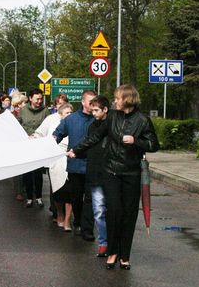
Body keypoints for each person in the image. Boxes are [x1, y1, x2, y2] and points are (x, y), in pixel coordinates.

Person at [69, 85, 159, 270]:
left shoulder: (142, 120)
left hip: (132, 173)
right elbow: (95, 137)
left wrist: (136, 141)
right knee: (114, 211)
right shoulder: (112, 117)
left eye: (117, 98)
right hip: (111, 171)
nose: (115, 100)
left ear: (127, 99)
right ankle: (112, 252)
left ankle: (125, 256)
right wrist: (76, 150)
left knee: (129, 214)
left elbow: (154, 144)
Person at [53, 90, 96, 241]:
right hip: (76, 166)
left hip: (93, 166)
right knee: (76, 198)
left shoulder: (99, 120)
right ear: (83, 102)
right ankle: (77, 221)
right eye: (90, 102)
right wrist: (48, 145)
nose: (93, 105)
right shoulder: (71, 119)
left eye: (95, 102)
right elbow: (57, 134)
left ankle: (87, 229)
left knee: (91, 199)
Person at [34, 103, 74, 230]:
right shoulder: (53, 126)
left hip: (72, 159)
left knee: (70, 191)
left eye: (71, 113)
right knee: (58, 191)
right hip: (57, 161)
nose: (69, 115)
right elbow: (47, 140)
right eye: (66, 113)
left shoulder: (76, 126)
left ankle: (68, 219)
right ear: (60, 115)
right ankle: (60, 214)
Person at [86, 95, 111, 257]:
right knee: (99, 210)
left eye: (96, 110)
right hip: (95, 174)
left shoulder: (114, 125)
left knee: (113, 210)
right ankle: (103, 243)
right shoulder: (91, 126)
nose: (93, 113)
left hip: (112, 173)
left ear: (105, 110)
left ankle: (114, 242)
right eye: (92, 110)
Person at [18, 88, 50, 207]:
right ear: (30, 98)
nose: (39, 101)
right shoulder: (23, 110)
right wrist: (27, 134)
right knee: (27, 172)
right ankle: (30, 197)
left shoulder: (45, 111)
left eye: (41, 99)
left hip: (39, 145)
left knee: (38, 173)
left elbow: (48, 126)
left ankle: (39, 197)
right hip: (27, 145)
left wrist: (38, 136)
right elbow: (19, 125)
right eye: (37, 99)